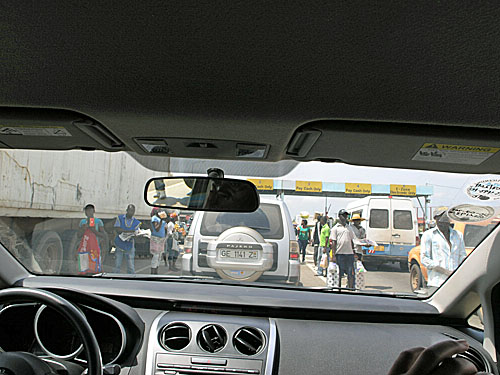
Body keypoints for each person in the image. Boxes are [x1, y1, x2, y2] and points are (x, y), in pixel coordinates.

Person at [420, 207, 466, 290]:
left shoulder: (458, 235)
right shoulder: (429, 235)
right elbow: (424, 259)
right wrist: (445, 272)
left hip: (455, 283)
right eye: (439, 219)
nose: (442, 223)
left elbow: (462, 256)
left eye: (445, 220)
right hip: (437, 283)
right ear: (435, 219)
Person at [77, 204, 107, 274]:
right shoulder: (82, 222)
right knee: (84, 267)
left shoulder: (98, 221)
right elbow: (78, 235)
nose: (88, 213)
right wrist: (83, 229)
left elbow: (103, 235)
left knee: (95, 266)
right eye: (86, 211)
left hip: (95, 247)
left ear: (94, 211)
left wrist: (93, 230)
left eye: (90, 211)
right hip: (85, 248)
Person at [330, 209, 356, 288]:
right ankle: (339, 288)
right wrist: (333, 255)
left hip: (349, 254)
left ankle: (351, 288)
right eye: (343, 215)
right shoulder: (335, 228)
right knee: (339, 274)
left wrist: (354, 252)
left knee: (350, 273)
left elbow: (352, 240)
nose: (345, 217)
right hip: (340, 254)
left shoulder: (349, 228)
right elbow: (333, 242)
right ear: (339, 216)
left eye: (346, 216)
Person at [113, 204, 141, 274]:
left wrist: (130, 233)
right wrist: (130, 231)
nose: (131, 213)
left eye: (132, 211)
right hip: (119, 243)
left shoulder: (136, 222)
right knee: (117, 264)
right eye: (130, 210)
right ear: (127, 210)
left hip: (129, 244)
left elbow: (136, 233)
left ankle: (131, 279)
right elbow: (117, 229)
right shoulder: (120, 218)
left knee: (130, 265)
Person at [149, 208, 167, 274]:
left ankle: (156, 271)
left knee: (159, 256)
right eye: (159, 210)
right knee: (155, 256)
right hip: (156, 239)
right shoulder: (154, 218)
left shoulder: (160, 219)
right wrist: (161, 221)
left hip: (161, 239)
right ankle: (153, 272)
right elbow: (156, 229)